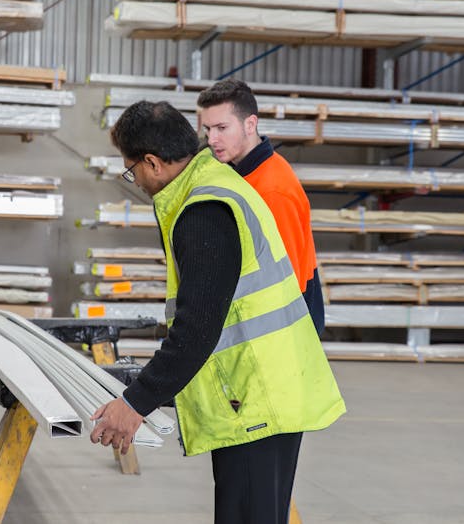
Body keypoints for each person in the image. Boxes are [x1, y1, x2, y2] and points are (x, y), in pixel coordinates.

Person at [90, 100, 345, 524]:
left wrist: (135, 404)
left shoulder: (203, 209)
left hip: (255, 398)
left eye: (131, 170)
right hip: (261, 388)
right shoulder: (213, 182)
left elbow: (197, 331)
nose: (134, 179)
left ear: (152, 162)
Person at [197, 78, 325, 334]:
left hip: (284, 327)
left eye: (222, 128)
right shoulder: (240, 172)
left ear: (250, 124)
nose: (212, 139)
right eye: (207, 129)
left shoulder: (273, 190)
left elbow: (286, 282)